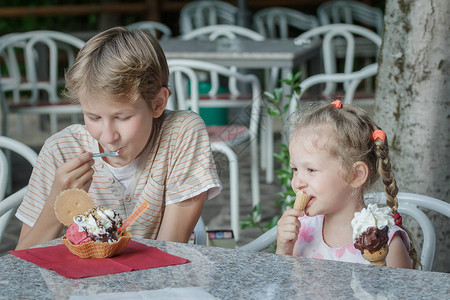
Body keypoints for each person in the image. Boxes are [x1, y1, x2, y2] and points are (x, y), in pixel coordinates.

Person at [15, 27, 222, 250]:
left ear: (158, 103)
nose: (108, 136)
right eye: (93, 117)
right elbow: (24, 262)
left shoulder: (181, 134)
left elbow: (168, 250)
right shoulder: (61, 150)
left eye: (122, 117)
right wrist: (58, 199)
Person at [276, 100, 419, 268]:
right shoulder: (303, 229)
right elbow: (284, 287)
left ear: (355, 175)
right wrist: (284, 249)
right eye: (295, 169)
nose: (297, 182)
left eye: (311, 170)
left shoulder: (384, 242)